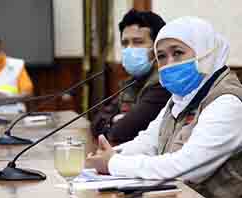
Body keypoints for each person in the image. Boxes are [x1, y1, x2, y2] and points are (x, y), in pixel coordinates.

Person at [87, 16, 242, 198]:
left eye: (177, 53)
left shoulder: (228, 102)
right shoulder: (182, 96)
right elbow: (149, 142)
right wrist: (111, 154)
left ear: (205, 52)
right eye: (161, 56)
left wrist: (114, 163)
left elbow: (187, 168)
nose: (169, 64)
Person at [91, 10, 171, 145]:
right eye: (125, 43)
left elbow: (122, 132)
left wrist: (114, 122)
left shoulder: (163, 83)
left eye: (138, 42)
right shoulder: (133, 81)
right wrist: (114, 121)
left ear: (158, 47)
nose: (129, 49)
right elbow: (96, 122)